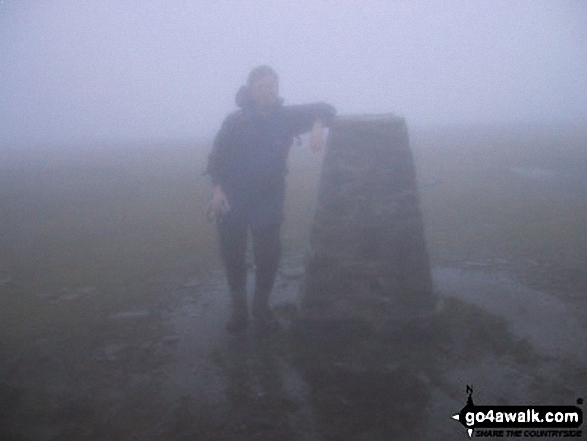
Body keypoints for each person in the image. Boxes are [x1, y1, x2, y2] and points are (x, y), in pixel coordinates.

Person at [206, 65, 336, 333]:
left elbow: (326, 108)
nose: (269, 91)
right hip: (233, 198)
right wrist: (217, 191)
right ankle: (239, 309)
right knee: (233, 255)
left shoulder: (286, 117)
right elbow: (216, 159)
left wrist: (317, 125)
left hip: (269, 199)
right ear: (252, 90)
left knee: (268, 256)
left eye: (273, 85)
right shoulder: (235, 122)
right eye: (263, 86)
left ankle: (261, 307)